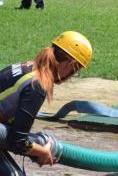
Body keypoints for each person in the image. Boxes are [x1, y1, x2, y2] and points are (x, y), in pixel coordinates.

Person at [0, 31, 92, 174]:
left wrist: (34, 151)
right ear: (71, 64)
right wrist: (42, 151)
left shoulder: (27, 66)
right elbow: (16, 141)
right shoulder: (37, 86)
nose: (71, 76)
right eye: (76, 71)